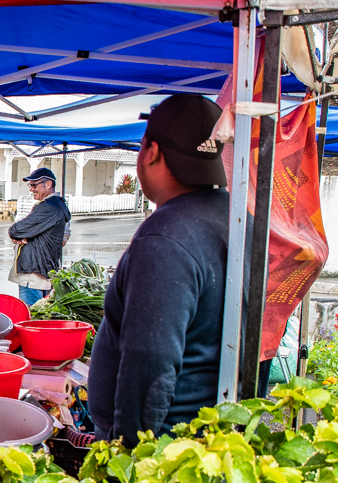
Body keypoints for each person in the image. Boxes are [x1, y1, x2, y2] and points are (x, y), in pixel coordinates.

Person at [88, 94, 231, 444]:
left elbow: (149, 362)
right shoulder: (234, 216)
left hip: (165, 450)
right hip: (206, 436)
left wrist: (129, 453)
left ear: (151, 152)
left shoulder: (165, 237)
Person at [8, 168, 71, 306]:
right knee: (42, 315)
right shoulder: (57, 206)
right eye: (30, 185)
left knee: (32, 318)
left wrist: (18, 236)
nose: (31, 189)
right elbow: (64, 235)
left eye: (34, 185)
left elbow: (16, 230)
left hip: (35, 273)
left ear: (48, 184)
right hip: (44, 271)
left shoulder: (49, 206)